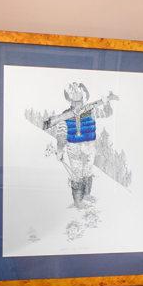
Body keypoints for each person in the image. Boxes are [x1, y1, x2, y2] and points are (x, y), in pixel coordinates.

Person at [37, 81, 116, 209]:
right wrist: (60, 150)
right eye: (74, 101)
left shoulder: (91, 111)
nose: (77, 104)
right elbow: (61, 134)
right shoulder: (64, 115)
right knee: (76, 174)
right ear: (70, 101)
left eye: (79, 100)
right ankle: (78, 202)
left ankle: (87, 195)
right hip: (73, 147)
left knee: (88, 171)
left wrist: (107, 102)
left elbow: (107, 113)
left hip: (89, 145)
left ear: (84, 99)